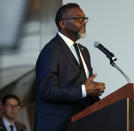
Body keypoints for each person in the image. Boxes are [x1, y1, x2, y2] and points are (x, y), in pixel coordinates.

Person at [34, 3, 106, 131]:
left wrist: (93, 91)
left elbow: (81, 84)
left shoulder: (84, 51)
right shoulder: (51, 50)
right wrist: (84, 90)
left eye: (84, 19)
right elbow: (47, 90)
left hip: (80, 124)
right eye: (78, 19)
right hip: (57, 126)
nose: (84, 23)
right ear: (63, 24)